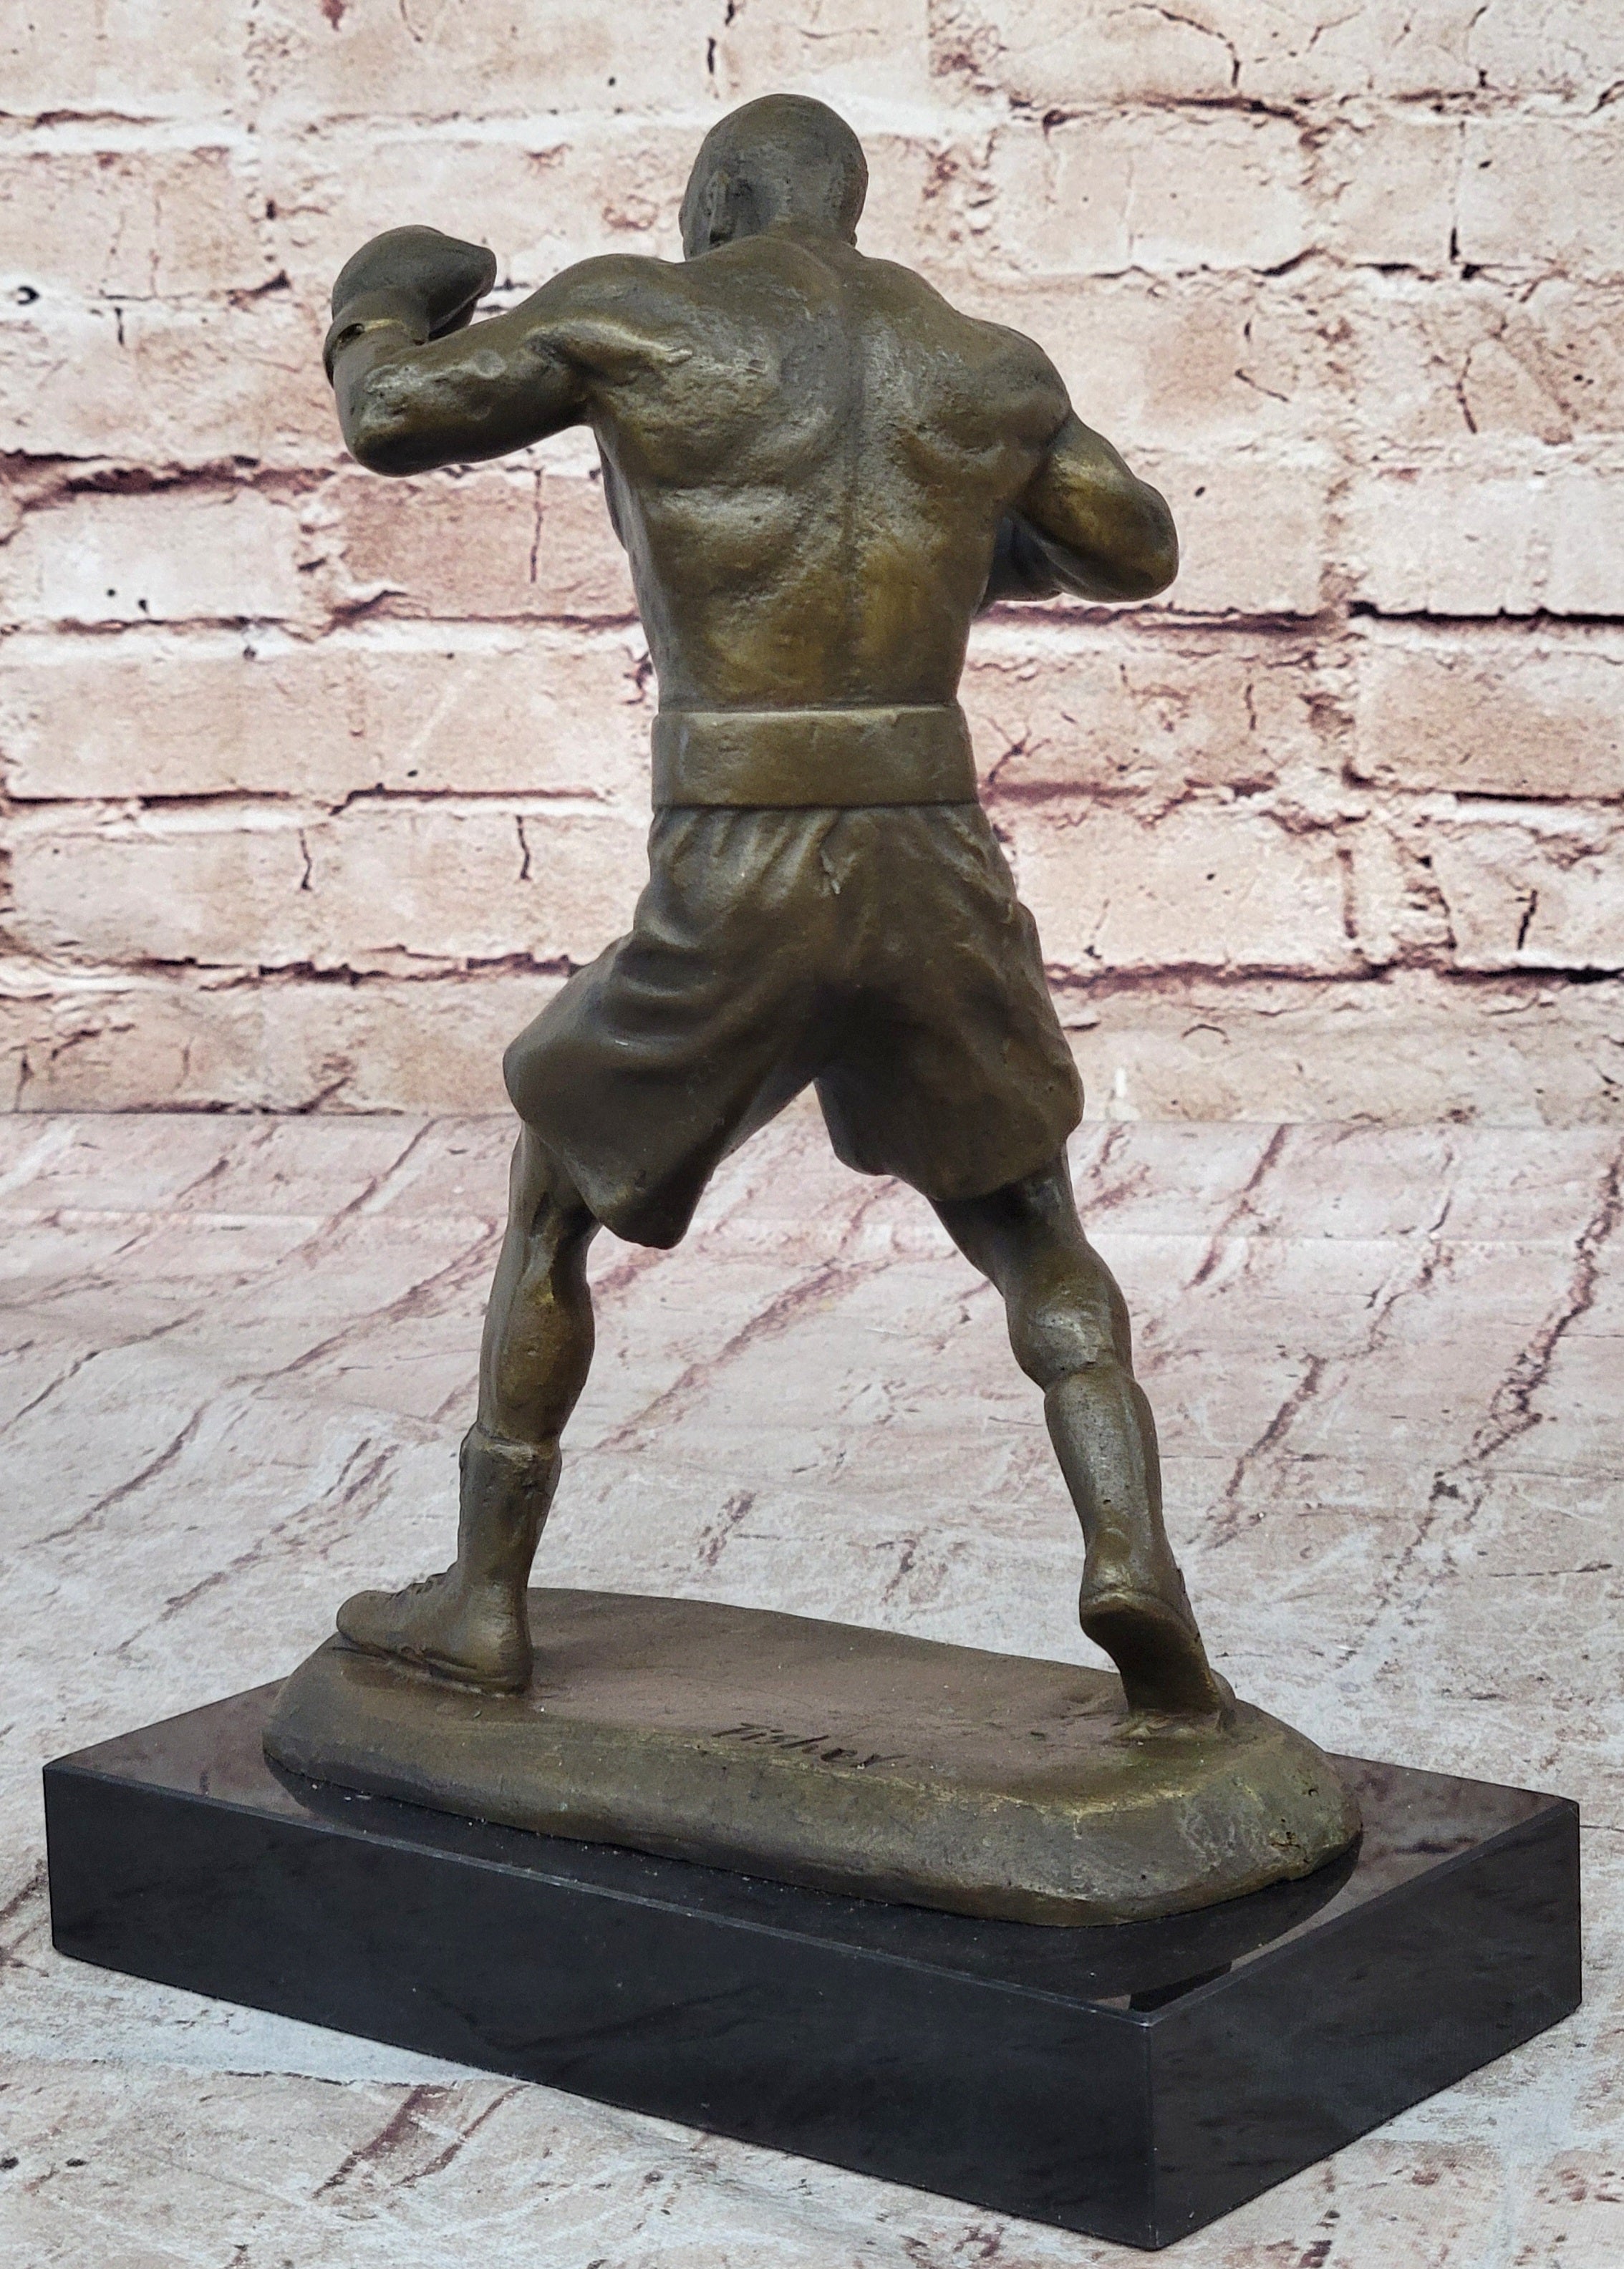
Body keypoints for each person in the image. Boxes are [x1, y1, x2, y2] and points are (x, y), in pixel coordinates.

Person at [324, 94, 1225, 1719]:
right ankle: (1133, 1561)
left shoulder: (635, 312)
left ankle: (481, 1603)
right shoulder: (986, 364)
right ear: (848, 206)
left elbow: (390, 417)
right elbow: (1134, 549)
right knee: (1033, 1226)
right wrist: (951, 542)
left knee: (555, 1189)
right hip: (930, 854)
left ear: (721, 199)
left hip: (739, 850)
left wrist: (382, 291)